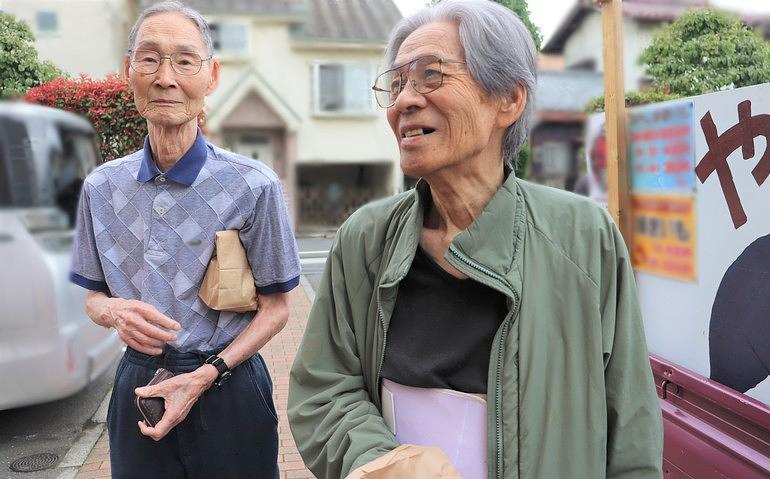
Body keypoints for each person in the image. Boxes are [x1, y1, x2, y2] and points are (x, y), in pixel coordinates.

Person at [287, 1, 662, 478]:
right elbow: (323, 389)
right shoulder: (365, 239)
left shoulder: (584, 236)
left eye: (430, 75)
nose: (404, 101)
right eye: (397, 84)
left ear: (508, 99)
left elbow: (630, 426)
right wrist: (386, 464)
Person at [68, 2, 300, 478]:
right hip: (141, 382)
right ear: (129, 71)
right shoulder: (101, 188)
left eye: (185, 60)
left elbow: (277, 308)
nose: (165, 78)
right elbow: (93, 297)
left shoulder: (253, 185)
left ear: (211, 76)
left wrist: (205, 375)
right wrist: (113, 312)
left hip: (227, 380)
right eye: (149, 59)